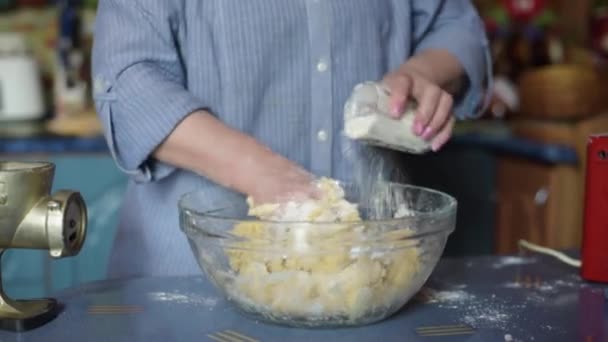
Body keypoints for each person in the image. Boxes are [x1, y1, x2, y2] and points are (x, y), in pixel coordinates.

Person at [91, 0, 492, 278]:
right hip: (189, 278)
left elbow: (457, 27)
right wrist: (268, 177)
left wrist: (424, 73)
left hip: (370, 275)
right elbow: (128, 83)